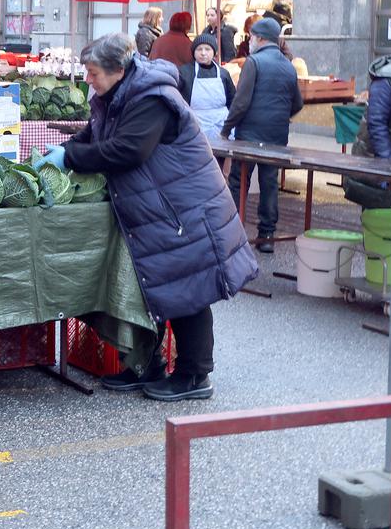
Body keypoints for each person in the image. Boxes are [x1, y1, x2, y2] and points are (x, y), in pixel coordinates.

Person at [35, 33, 257, 401]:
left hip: (182, 206)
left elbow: (128, 150)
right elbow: (97, 133)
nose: (88, 81)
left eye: (93, 74)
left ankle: (194, 376)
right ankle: (146, 366)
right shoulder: (115, 95)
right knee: (151, 287)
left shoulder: (152, 99)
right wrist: (65, 148)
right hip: (158, 206)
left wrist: (69, 159)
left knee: (188, 288)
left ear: (119, 70)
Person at [221, 17, 304, 253]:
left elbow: (241, 102)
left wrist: (226, 129)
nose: (250, 41)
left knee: (239, 182)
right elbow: (297, 103)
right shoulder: (289, 66)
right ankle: (266, 235)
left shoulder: (254, 62)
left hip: (248, 135)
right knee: (269, 184)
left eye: (251, 37)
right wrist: (279, 115)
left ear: (259, 38)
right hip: (276, 136)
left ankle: (233, 234)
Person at [345, 55, 391, 209]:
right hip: (379, 161)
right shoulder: (388, 77)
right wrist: (388, 167)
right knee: (379, 217)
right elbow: (376, 123)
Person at [178, 34, 235, 143]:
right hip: (195, 125)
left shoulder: (223, 74)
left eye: (207, 49)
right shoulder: (184, 72)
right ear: (194, 52)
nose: (203, 53)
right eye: (199, 49)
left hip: (221, 125)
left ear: (214, 52)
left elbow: (232, 101)